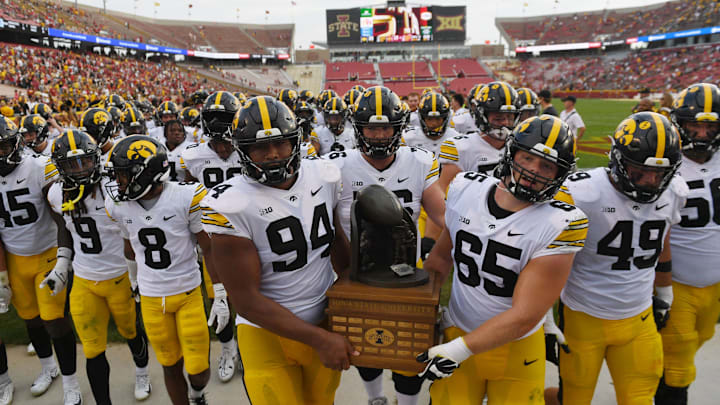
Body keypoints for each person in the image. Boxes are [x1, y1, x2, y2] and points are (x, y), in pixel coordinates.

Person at [418, 115, 586, 405]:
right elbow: (441, 259)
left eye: (547, 166)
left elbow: (524, 317)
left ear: (560, 173)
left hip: (515, 349)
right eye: (528, 158)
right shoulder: (465, 188)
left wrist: (459, 349)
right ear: (511, 153)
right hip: (458, 327)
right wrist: (424, 312)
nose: (534, 171)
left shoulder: (562, 222)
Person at [200, 96, 355, 405]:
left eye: (281, 144)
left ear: (295, 142)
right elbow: (246, 302)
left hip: (324, 316)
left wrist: (351, 296)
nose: (272, 155)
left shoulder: (324, 176)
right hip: (265, 334)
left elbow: (337, 243)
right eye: (260, 148)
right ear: (242, 151)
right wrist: (320, 340)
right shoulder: (231, 204)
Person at [546, 112, 687, 405]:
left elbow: (663, 243)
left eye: (659, 173)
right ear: (619, 160)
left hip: (640, 318)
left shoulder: (673, 191)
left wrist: (665, 293)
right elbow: (544, 259)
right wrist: (544, 317)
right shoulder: (582, 192)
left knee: (640, 399)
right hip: (584, 316)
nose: (650, 181)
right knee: (573, 398)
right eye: (640, 171)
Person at [328, 86, 446, 405]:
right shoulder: (335, 167)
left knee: (410, 351)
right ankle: (376, 398)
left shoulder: (420, 162)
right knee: (365, 347)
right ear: (359, 128)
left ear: (399, 127)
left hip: (407, 272)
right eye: (372, 127)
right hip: (359, 271)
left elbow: (443, 215)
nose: (379, 135)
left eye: (386, 127)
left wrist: (441, 255)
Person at [105, 135, 226, 405]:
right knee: (170, 364)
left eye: (123, 174)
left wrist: (218, 291)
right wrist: (134, 281)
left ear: (144, 173)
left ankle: (196, 393)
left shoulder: (186, 196)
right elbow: (130, 248)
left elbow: (208, 247)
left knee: (198, 369)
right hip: (150, 297)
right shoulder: (118, 206)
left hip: (187, 292)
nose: (118, 182)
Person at [48, 130, 152, 404]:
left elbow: (136, 231)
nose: (81, 170)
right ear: (61, 167)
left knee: (131, 331)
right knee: (93, 349)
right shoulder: (57, 193)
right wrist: (62, 261)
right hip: (84, 279)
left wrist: (138, 274)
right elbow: (65, 228)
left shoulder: (115, 190)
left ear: (96, 159)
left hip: (120, 276)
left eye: (84, 161)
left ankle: (142, 372)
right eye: (72, 164)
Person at [0, 117, 82, 405]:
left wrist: (63, 258)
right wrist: (1, 276)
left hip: (46, 251)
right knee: (31, 319)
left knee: (55, 320)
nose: (2, 152)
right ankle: (49, 369)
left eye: (4, 145)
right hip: (15, 258)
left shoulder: (39, 166)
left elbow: (60, 216)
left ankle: (71, 383)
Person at [655, 83, 720, 405]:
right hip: (678, 281)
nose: (703, 132)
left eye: (710, 125)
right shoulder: (662, 160)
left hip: (715, 281)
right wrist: (661, 285)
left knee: (702, 337)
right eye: (695, 123)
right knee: (679, 358)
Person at [181, 91, 241, 383]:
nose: (221, 147)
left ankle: (248, 344)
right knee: (217, 298)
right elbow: (187, 196)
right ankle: (228, 348)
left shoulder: (248, 146)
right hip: (212, 235)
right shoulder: (192, 156)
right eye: (212, 118)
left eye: (224, 118)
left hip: (247, 231)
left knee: (251, 294)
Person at [437, 81, 519, 194]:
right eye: (498, 118)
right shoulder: (461, 148)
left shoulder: (518, 146)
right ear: (482, 116)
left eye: (509, 117)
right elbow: (443, 192)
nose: (505, 123)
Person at [403, 91, 461, 157]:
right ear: (422, 118)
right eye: (429, 119)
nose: (433, 123)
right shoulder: (409, 137)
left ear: (445, 118)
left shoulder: (455, 138)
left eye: (438, 119)